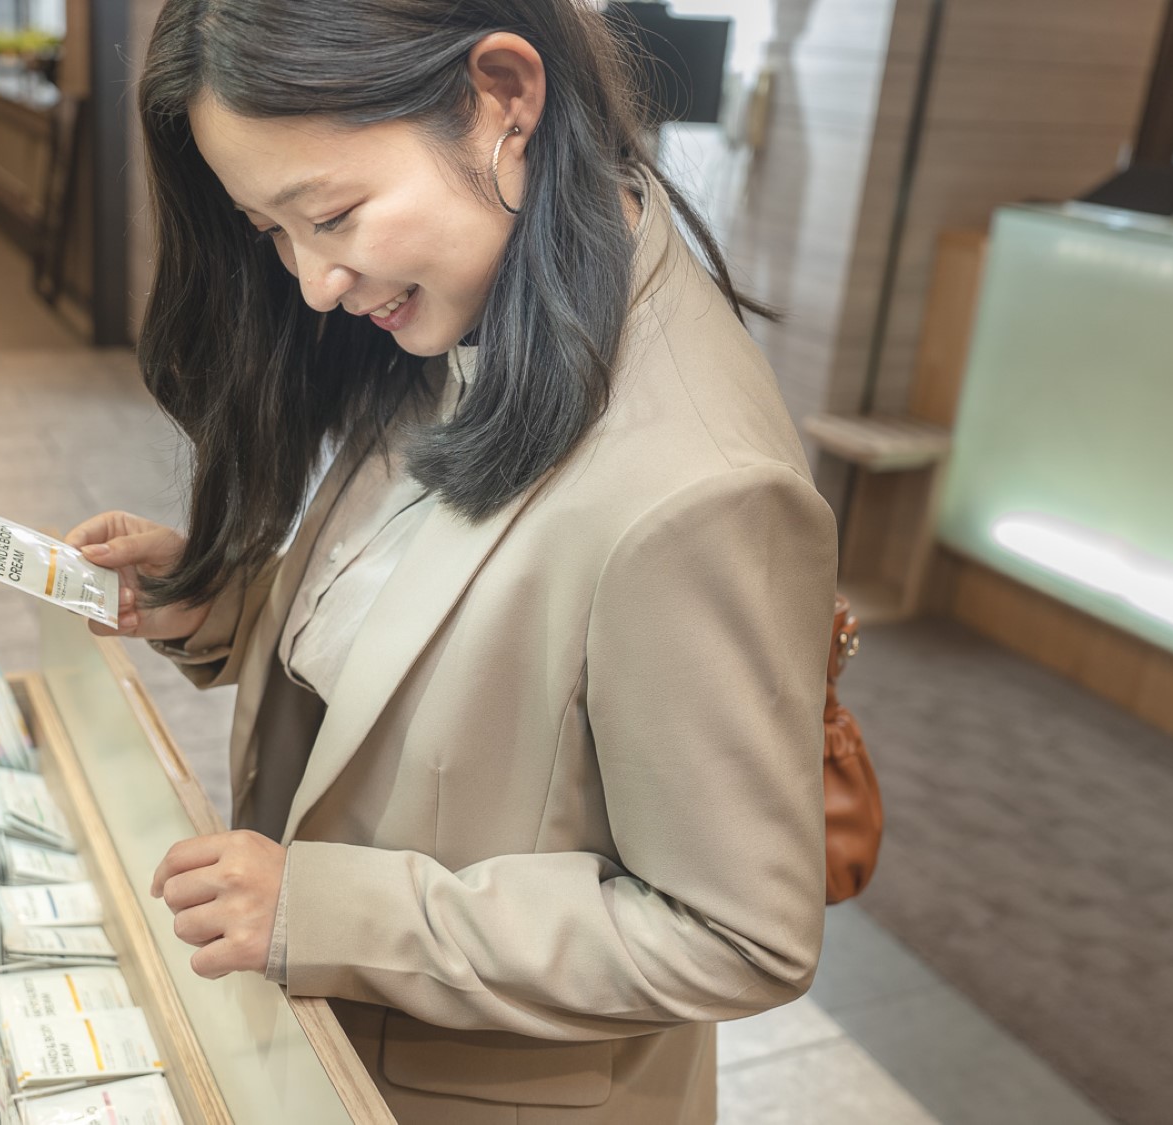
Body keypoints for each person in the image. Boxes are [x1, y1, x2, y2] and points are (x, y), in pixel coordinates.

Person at [66, 1, 837, 1120]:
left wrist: (331, 914)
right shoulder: (494, 284)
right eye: (268, 231)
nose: (311, 280)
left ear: (502, 99)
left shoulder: (697, 489)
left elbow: (737, 937)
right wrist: (224, 604)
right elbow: (451, 611)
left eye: (329, 214)